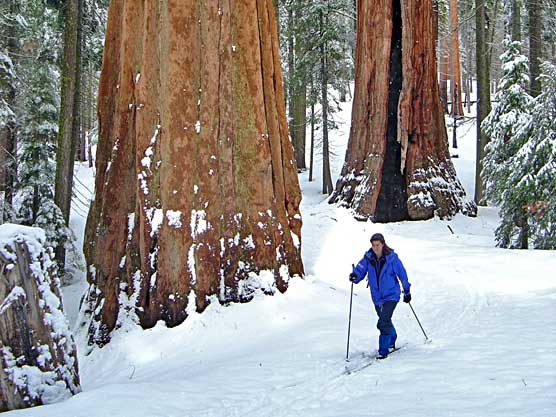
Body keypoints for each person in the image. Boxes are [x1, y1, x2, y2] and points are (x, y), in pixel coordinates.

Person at [349, 233, 411, 359]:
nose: (375, 248)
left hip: (391, 295)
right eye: (373, 245)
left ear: (383, 244)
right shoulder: (368, 258)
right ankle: (392, 338)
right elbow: (360, 269)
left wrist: (407, 291)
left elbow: (402, 274)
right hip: (377, 297)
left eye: (377, 245)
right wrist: (355, 275)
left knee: (382, 322)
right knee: (385, 320)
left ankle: (383, 351)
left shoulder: (392, 259)